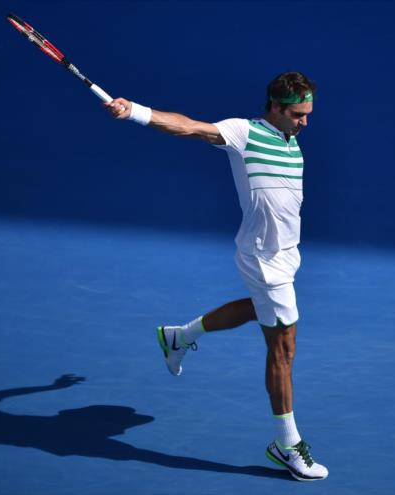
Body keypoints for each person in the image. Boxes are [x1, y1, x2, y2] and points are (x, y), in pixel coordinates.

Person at [104, 71, 327, 482]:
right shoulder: (244, 133)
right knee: (284, 348)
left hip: (287, 256)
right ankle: (287, 444)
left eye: (308, 114)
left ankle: (180, 336)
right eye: (298, 114)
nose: (305, 123)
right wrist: (133, 111)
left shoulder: (292, 143)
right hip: (263, 260)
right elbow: (188, 127)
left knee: (259, 312)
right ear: (275, 107)